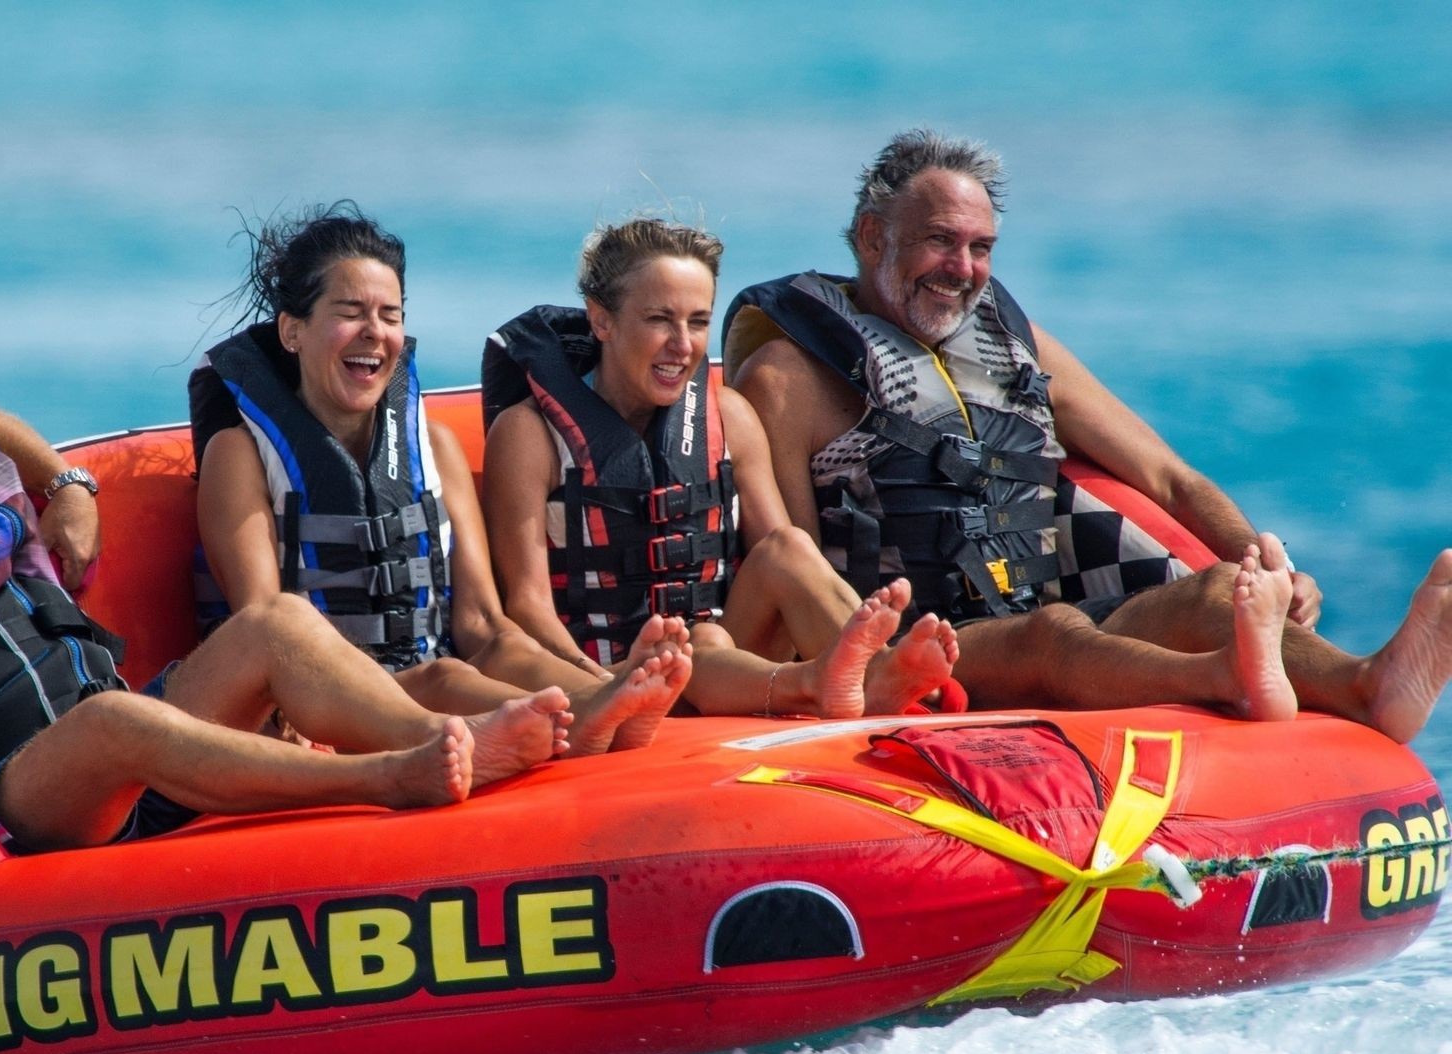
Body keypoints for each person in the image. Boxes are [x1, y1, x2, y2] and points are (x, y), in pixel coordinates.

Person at [0, 284, 571, 853]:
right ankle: (395, 772)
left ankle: (456, 734)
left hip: (123, 739)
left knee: (274, 624)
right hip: (20, 797)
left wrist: (67, 485)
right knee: (115, 719)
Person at [729, 129, 1452, 740]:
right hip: (917, 647)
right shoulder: (786, 380)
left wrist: (1270, 568)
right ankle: (1230, 675)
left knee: (1213, 593)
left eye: (981, 247)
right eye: (941, 241)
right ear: (871, 236)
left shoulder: (1016, 350)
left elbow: (1172, 480)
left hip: (1045, 612)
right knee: (1052, 636)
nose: (964, 269)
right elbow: (793, 570)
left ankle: (1368, 682)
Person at [193, 203, 691, 754]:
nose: (374, 333)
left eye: (390, 315)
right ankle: (570, 725)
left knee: (471, 662)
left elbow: (484, 626)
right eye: (350, 312)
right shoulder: (238, 455)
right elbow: (263, 631)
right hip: (318, 705)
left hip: (430, 681)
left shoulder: (435, 449)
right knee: (443, 678)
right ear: (293, 331)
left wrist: (590, 677)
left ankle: (595, 707)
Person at [480, 217, 959, 719]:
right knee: (698, 646)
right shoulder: (529, 435)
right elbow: (527, 607)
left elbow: (786, 565)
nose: (682, 344)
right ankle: (827, 684)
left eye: (698, 322)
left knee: (785, 550)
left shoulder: (730, 416)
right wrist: (603, 689)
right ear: (602, 320)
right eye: (659, 319)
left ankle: (874, 673)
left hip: (727, 659)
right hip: (606, 678)